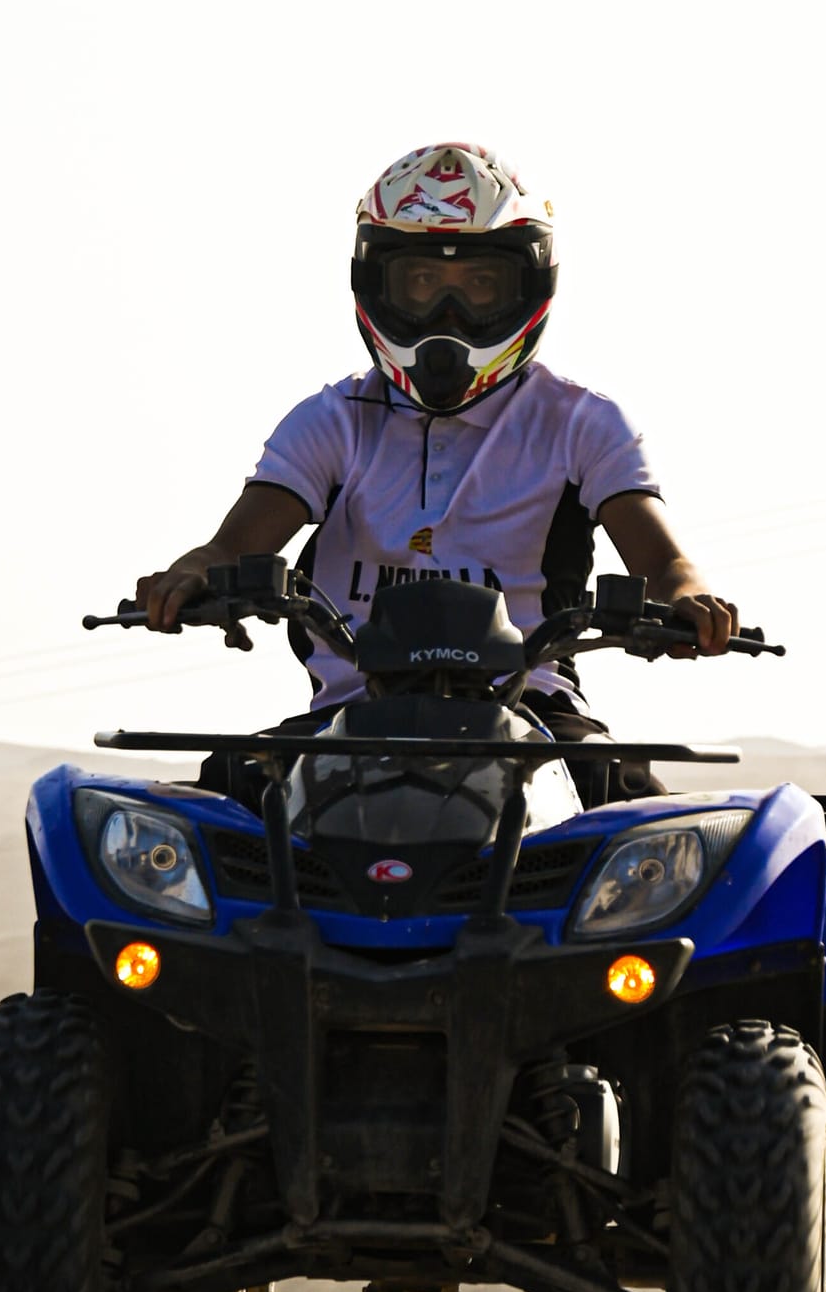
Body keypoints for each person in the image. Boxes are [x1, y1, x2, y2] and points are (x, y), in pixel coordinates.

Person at [136, 141, 738, 799]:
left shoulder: (581, 422)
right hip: (346, 717)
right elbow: (230, 546)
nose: (448, 314)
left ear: (529, 285)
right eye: (422, 282)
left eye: (479, 285)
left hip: (533, 716)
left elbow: (664, 561)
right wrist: (192, 572)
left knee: (644, 830)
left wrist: (688, 598)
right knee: (203, 818)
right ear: (376, 284)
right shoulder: (331, 420)